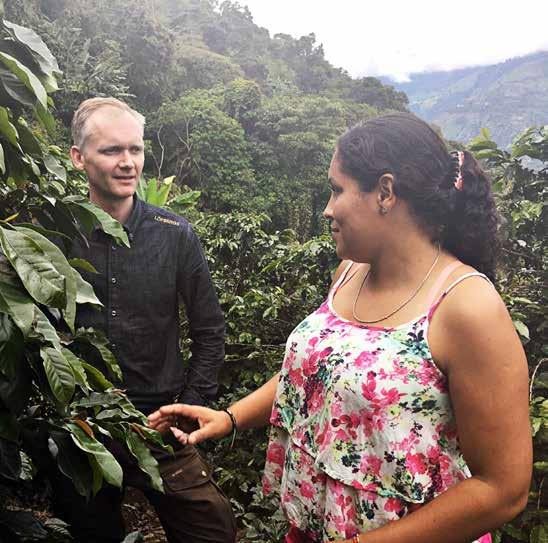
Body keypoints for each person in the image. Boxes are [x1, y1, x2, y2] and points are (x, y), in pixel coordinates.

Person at [148, 113, 532, 543]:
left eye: (337, 190)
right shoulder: (351, 272)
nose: (328, 209)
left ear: (385, 192)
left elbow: (503, 489)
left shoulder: (466, 306)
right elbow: (320, 372)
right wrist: (230, 418)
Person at [52, 97, 236, 543]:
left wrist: (188, 407)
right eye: (112, 151)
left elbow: (210, 331)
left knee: (213, 530)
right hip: (82, 430)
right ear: (79, 158)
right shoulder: (55, 233)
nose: (128, 162)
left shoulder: (175, 235)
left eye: (135, 150)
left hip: (161, 424)